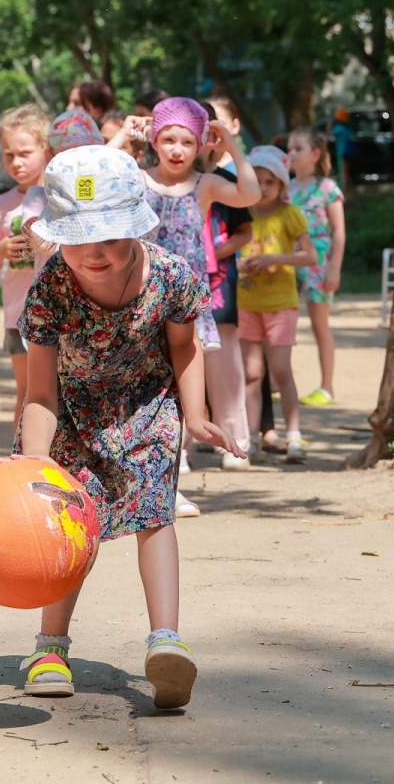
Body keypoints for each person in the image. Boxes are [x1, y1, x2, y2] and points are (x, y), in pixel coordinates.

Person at [14, 145, 240, 710]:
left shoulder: (170, 276)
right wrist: (36, 464)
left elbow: (186, 350)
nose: (95, 254)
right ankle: (49, 648)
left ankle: (167, 643)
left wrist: (199, 417)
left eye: (110, 237)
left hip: (148, 408)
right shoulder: (49, 291)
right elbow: (39, 392)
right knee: (67, 528)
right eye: (79, 239)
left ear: (136, 229)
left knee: (155, 516)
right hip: (71, 416)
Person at [108, 97, 260, 513]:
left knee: (177, 396)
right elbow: (97, 172)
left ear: (200, 146)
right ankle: (139, 483)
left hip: (186, 307)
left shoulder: (205, 185)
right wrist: (123, 134)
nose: (177, 149)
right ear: (155, 140)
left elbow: (250, 192)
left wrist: (229, 141)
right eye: (169, 139)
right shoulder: (137, 179)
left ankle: (166, 485)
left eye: (188, 141)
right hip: (140, 303)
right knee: (144, 396)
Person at [237, 146, 317, 463]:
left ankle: (294, 435)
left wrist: (275, 259)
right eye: (257, 181)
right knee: (252, 373)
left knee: (281, 370)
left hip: (282, 303)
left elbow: (310, 256)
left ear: (282, 185)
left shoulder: (290, 214)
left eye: (269, 181)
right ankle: (251, 437)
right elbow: (229, 250)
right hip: (247, 302)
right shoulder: (241, 213)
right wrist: (242, 264)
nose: (264, 188)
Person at [0, 104, 51, 434]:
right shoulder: (2, 204)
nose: (17, 162)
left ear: (45, 149)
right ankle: (20, 467)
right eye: (9, 155)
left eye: (25, 152)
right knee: (27, 393)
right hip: (17, 313)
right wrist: (0, 249)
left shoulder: (59, 196)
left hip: (58, 312)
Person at [199, 96, 253, 472]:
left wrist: (214, 255)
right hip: (177, 287)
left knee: (226, 364)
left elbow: (245, 230)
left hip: (219, 283)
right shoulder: (160, 180)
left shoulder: (226, 179)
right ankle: (179, 448)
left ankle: (236, 441)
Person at [288, 129, 346, 407]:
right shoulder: (285, 187)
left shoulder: (328, 189)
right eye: (290, 148)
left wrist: (334, 268)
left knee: (319, 325)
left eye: (298, 148)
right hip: (288, 261)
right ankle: (278, 382)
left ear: (315, 154)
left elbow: (339, 232)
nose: (291, 153)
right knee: (281, 323)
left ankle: (327, 387)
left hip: (319, 264)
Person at [330, 108, 357, 188]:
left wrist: (330, 124)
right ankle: (348, 186)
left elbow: (330, 133)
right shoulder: (348, 128)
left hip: (341, 152)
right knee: (346, 171)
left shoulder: (339, 128)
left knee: (342, 171)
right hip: (348, 152)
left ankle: (343, 188)